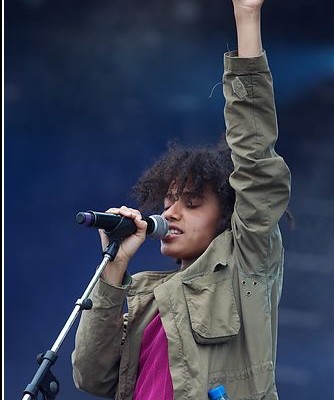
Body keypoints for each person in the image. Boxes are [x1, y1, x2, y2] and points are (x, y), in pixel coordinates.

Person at [71, 0, 291, 399]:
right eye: (169, 200)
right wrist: (114, 269)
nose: (170, 212)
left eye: (191, 203)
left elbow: (256, 159)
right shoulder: (150, 299)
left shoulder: (246, 266)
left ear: (226, 217)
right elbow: (92, 378)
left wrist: (246, 16)